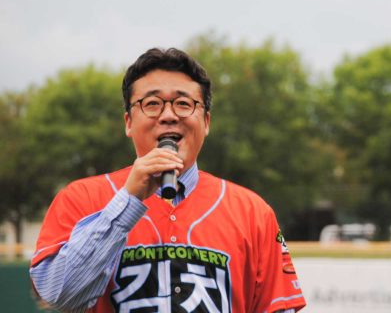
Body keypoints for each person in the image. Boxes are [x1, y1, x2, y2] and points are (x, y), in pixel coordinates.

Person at [29, 47, 305, 313]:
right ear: (128, 122)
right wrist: (128, 201)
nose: (169, 115)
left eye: (184, 103)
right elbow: (59, 295)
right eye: (152, 104)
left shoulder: (252, 211)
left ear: (206, 122)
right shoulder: (82, 198)